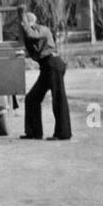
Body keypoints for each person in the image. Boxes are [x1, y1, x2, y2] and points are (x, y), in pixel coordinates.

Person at [20, 10, 72, 140]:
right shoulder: (31, 32)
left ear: (31, 23)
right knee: (32, 98)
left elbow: (33, 36)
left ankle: (63, 134)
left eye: (25, 24)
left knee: (58, 99)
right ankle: (34, 133)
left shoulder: (42, 30)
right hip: (46, 67)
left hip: (53, 64)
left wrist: (24, 23)